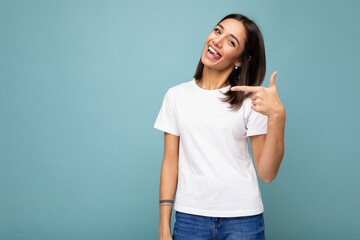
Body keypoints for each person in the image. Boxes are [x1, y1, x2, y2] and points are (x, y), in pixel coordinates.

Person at [154, 13, 286, 240]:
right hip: (189, 218)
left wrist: (277, 116)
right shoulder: (176, 96)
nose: (217, 40)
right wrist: (164, 224)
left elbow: (267, 173)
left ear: (240, 60)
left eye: (231, 41)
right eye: (218, 31)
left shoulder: (249, 100)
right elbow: (170, 162)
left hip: (243, 220)